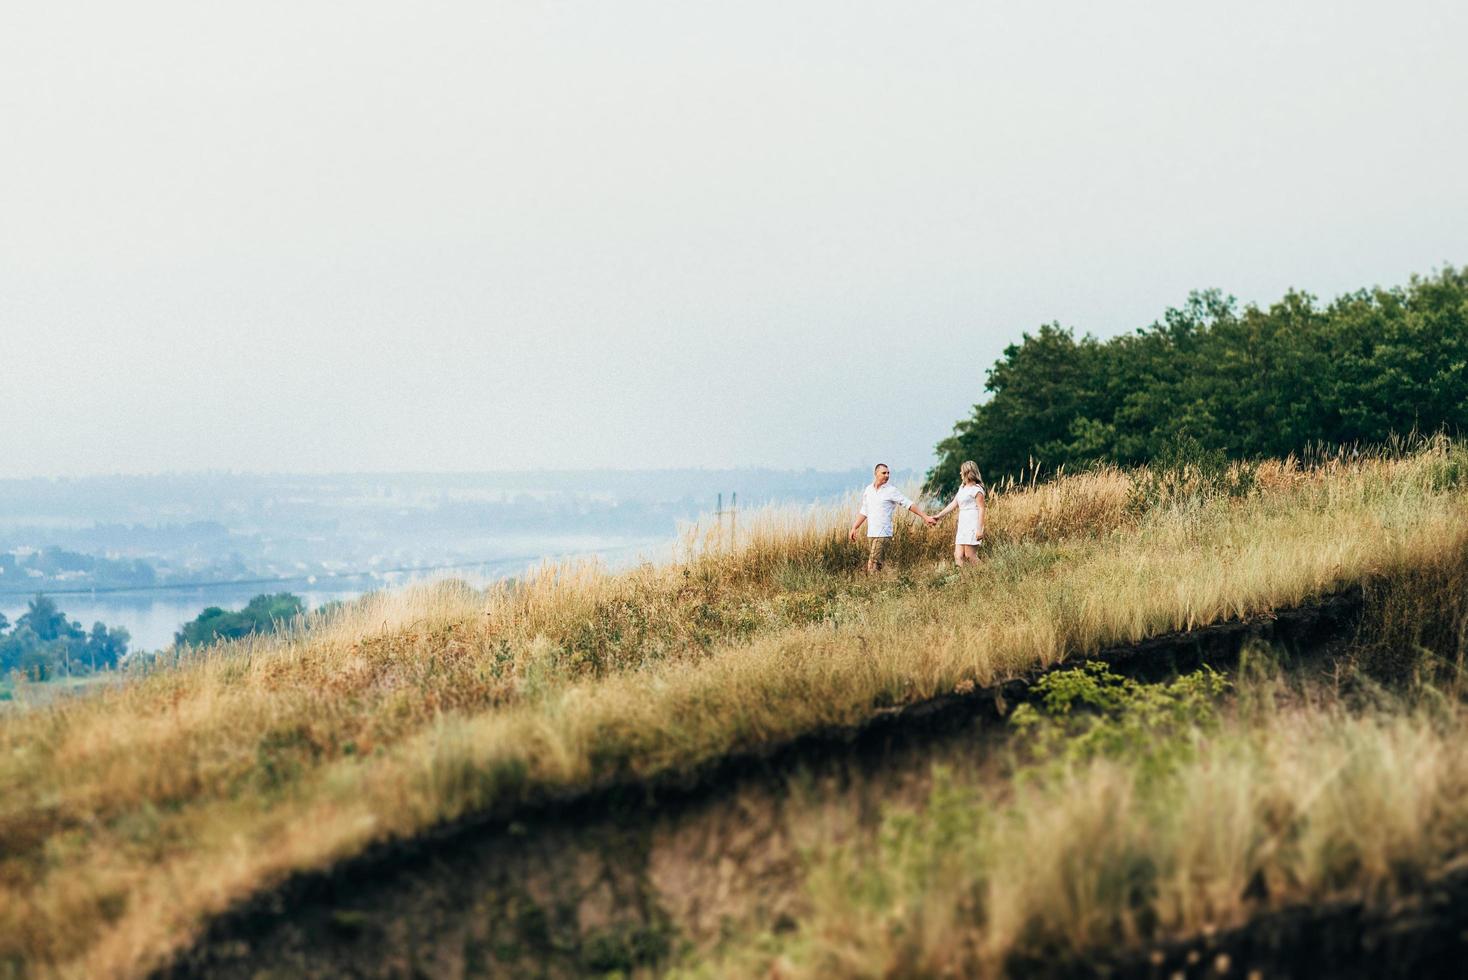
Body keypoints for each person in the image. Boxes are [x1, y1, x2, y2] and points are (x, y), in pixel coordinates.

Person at [849, 463, 937, 573]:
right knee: (877, 565)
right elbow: (864, 511)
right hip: (871, 533)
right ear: (876, 474)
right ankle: (884, 583)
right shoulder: (868, 490)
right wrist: (854, 527)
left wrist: (925, 517)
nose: (887, 475)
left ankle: (875, 586)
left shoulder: (891, 490)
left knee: (872, 565)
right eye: (884, 473)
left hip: (883, 533)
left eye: (888, 473)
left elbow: (908, 504)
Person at [931, 460, 986, 566]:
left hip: (973, 524)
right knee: (958, 555)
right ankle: (961, 579)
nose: (960, 473)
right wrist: (939, 516)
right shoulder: (962, 488)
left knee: (970, 555)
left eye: (961, 471)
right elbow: (954, 504)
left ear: (967, 472)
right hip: (963, 524)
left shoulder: (977, 490)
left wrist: (979, 529)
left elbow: (982, 509)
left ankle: (986, 573)